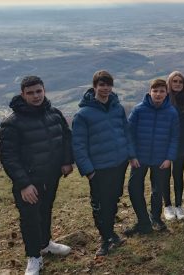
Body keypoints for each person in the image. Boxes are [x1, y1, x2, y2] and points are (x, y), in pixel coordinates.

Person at [0, 76, 73, 275]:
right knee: (30, 218)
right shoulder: (12, 123)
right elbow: (8, 157)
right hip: (28, 182)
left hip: (51, 176)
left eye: (38, 91)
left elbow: (66, 137)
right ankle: (33, 257)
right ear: (23, 94)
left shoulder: (54, 114)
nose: (36, 96)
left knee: (46, 210)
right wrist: (23, 184)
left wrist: (67, 161)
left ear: (44, 90)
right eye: (30, 93)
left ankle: (45, 244)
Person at [72, 71, 138, 257]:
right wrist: (88, 170)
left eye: (108, 84)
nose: (105, 88)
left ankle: (111, 234)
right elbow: (78, 145)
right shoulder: (83, 114)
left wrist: (131, 155)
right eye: (101, 84)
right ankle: (105, 238)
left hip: (119, 163)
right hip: (98, 168)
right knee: (101, 204)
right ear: (94, 87)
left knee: (113, 199)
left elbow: (126, 132)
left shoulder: (117, 108)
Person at [124, 78, 179, 236]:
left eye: (162, 91)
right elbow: (129, 134)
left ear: (166, 93)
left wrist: (169, 158)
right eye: (155, 91)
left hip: (161, 159)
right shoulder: (138, 110)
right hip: (139, 158)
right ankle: (143, 221)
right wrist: (132, 155)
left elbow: (175, 137)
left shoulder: (171, 112)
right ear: (150, 92)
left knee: (158, 190)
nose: (158, 94)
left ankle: (155, 218)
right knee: (134, 188)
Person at [163, 71, 184, 220]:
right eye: (174, 81)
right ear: (169, 83)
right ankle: (167, 206)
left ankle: (178, 205)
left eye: (180, 82)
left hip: (182, 144)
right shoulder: (164, 100)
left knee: (178, 174)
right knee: (165, 175)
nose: (177, 84)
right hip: (165, 144)